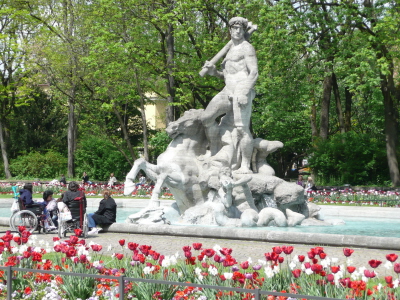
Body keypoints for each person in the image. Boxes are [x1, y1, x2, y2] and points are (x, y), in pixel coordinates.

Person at [200, 17, 258, 174]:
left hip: (242, 90)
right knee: (206, 118)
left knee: (242, 129)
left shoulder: (247, 48)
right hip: (227, 89)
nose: (238, 31)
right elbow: (227, 75)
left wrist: (245, 91)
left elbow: (254, 72)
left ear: (244, 31)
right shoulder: (230, 48)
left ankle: (245, 165)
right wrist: (214, 73)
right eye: (235, 28)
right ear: (230, 30)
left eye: (241, 29)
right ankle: (213, 152)